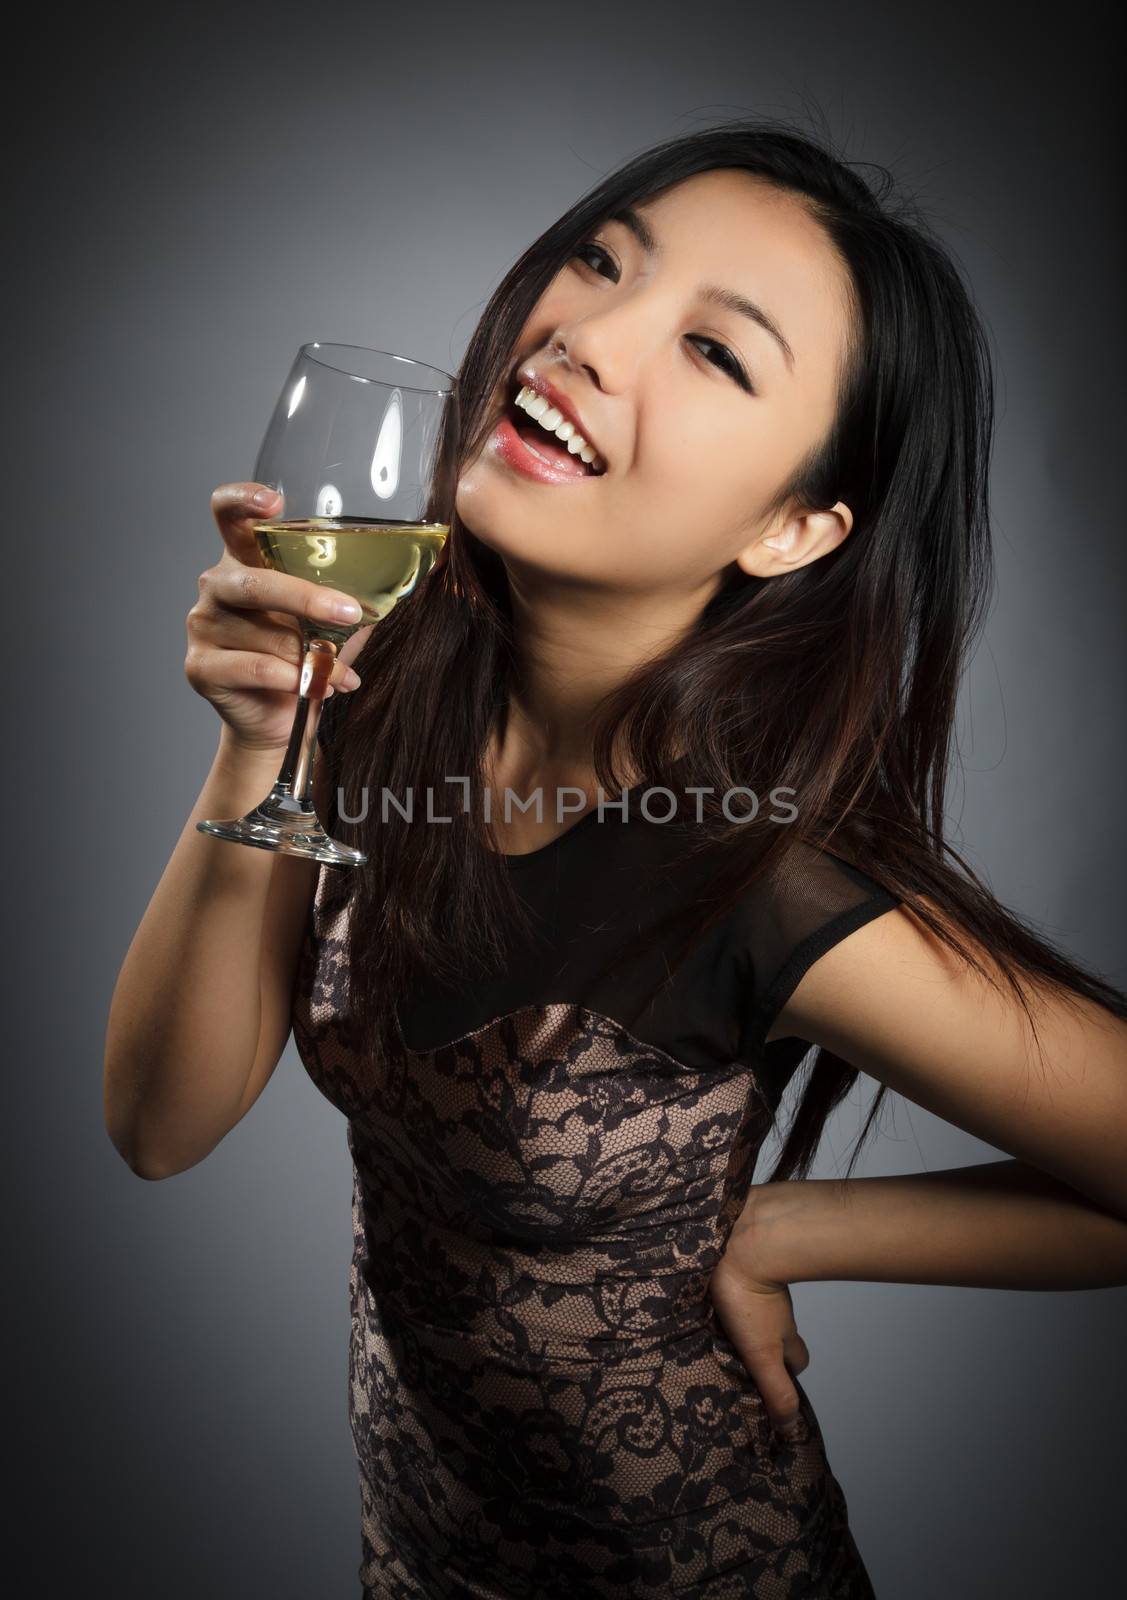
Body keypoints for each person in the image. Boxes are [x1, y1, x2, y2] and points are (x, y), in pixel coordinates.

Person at [105, 118, 1127, 1599]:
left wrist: (789, 1228)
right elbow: (160, 1124)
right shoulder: (385, 682)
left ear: (794, 528)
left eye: (717, 353)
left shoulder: (755, 887)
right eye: (602, 260)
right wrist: (262, 738)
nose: (585, 335)